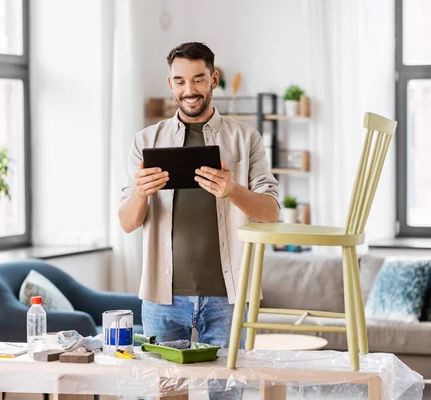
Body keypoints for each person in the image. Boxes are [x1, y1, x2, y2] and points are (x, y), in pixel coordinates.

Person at [119, 42, 280, 399]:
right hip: (163, 301)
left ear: (214, 79)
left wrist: (232, 190)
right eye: (179, 81)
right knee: (168, 395)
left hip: (228, 299)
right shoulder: (146, 142)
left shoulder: (246, 138)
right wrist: (141, 192)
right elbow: (128, 223)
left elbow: (271, 211)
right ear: (170, 83)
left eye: (197, 79)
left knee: (227, 396)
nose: (189, 90)